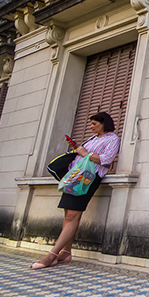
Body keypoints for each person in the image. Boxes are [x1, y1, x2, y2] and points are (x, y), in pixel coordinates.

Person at [30, 112, 120, 269]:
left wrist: (85, 153)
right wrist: (77, 148)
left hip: (88, 178)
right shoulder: (94, 138)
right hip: (74, 176)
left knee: (73, 215)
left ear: (104, 123)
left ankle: (52, 255)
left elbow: (106, 160)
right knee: (68, 215)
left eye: (94, 124)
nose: (91, 127)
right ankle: (66, 252)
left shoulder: (113, 139)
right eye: (91, 124)